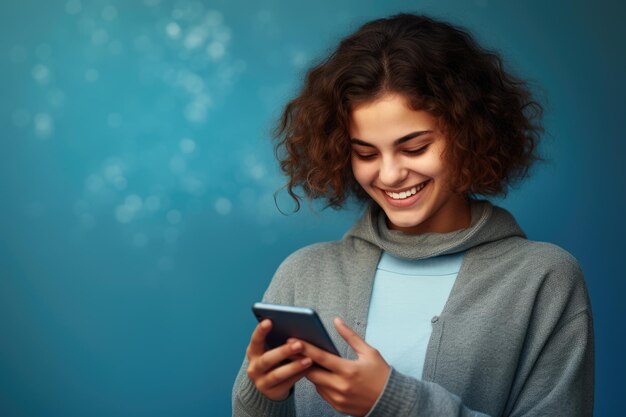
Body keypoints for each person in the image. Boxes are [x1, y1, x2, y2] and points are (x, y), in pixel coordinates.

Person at [232, 13, 594, 417]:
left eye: (415, 148)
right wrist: (267, 395)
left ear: (469, 134)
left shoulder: (542, 279)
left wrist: (394, 402)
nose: (389, 174)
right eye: (366, 153)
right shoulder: (304, 274)